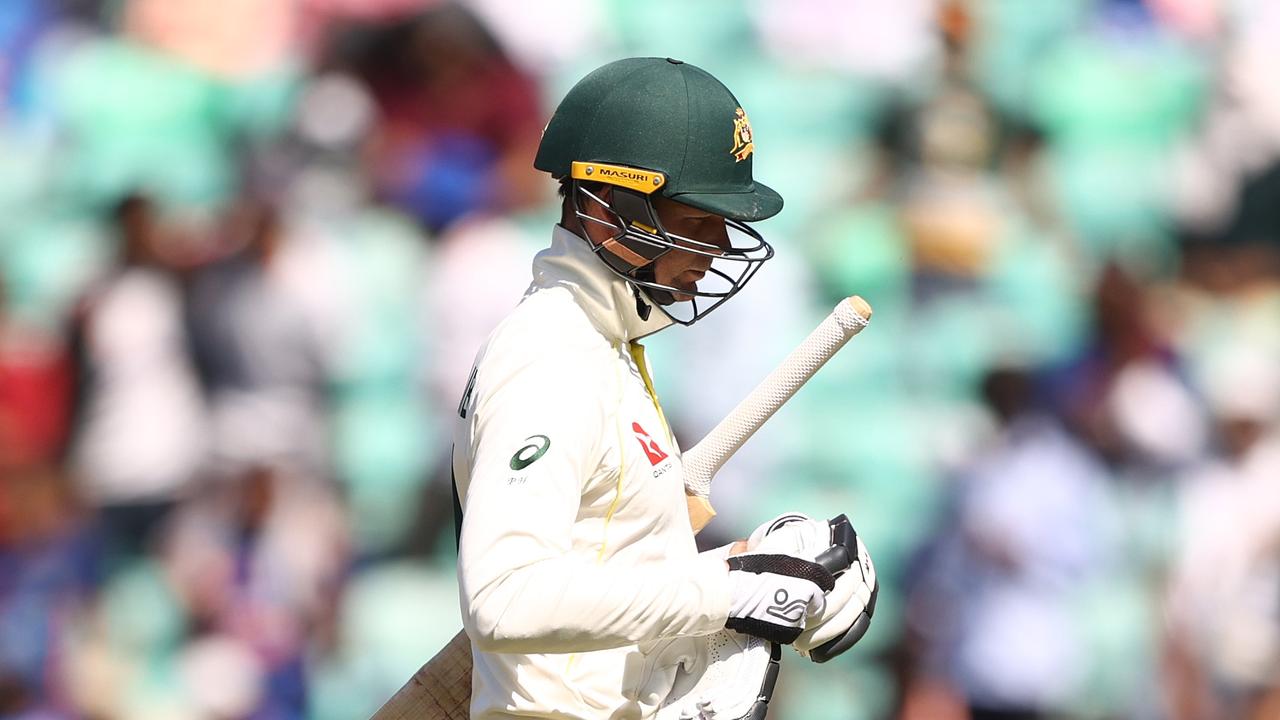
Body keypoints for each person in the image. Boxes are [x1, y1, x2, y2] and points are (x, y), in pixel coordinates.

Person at [452, 57, 877, 719]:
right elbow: (504, 597)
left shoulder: (607, 346)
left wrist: (753, 564)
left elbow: (611, 564)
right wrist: (727, 592)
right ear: (612, 206)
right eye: (699, 223)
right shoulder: (553, 357)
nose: (714, 252)